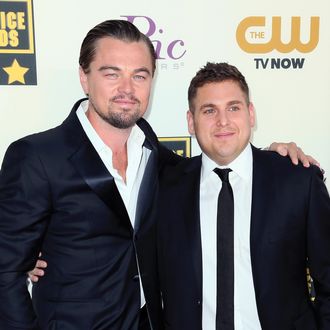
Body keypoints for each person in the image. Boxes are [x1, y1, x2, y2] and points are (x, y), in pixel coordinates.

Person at [0, 20, 317, 330]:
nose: (127, 88)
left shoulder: (149, 146)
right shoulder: (36, 157)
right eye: (112, 74)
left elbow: (213, 163)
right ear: (84, 77)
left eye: (139, 75)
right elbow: (5, 273)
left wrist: (268, 159)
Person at [156, 62, 330, 329]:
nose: (223, 121)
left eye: (233, 108)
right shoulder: (165, 187)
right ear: (191, 122)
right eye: (209, 110)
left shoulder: (298, 181)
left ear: (251, 114)